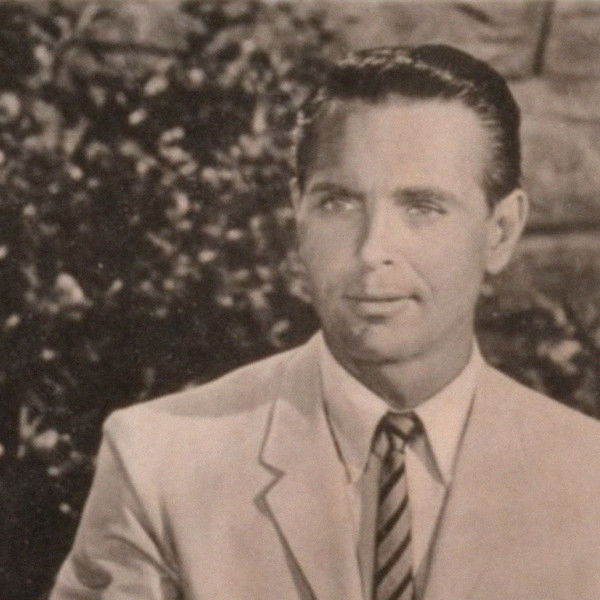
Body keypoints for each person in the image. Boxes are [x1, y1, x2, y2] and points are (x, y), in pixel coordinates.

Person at [50, 45, 600, 600]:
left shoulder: (586, 479)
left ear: (500, 232)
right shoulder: (160, 462)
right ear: (298, 213)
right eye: (338, 203)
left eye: (422, 208)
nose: (372, 250)